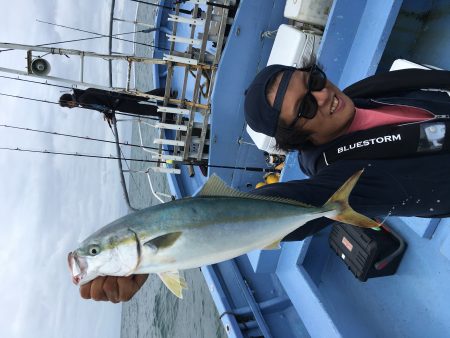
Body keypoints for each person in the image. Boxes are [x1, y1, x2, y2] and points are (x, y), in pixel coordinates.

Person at [79, 60, 450, 302]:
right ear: (298, 137)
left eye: (314, 81)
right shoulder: (337, 176)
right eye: (305, 109)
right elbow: (281, 206)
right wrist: (148, 262)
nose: (324, 96)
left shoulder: (368, 90)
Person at [59, 87, 175, 123]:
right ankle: (166, 91)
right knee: (144, 96)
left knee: (144, 110)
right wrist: (105, 112)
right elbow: (100, 101)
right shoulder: (84, 91)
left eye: (69, 106)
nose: (71, 107)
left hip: (118, 104)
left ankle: (170, 116)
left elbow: (101, 107)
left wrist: (109, 115)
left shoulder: (82, 101)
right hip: (118, 96)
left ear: (69, 102)